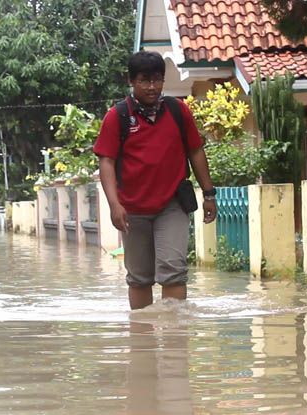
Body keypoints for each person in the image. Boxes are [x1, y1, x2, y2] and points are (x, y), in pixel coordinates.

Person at [93, 51, 217, 310]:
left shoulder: (177, 110)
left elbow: (195, 150)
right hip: (132, 208)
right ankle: (142, 343)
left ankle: (175, 340)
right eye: (144, 80)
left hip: (172, 204)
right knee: (139, 278)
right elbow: (107, 161)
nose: (151, 87)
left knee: (173, 269)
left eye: (157, 80)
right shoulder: (118, 117)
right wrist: (114, 205)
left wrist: (209, 194)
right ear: (131, 81)